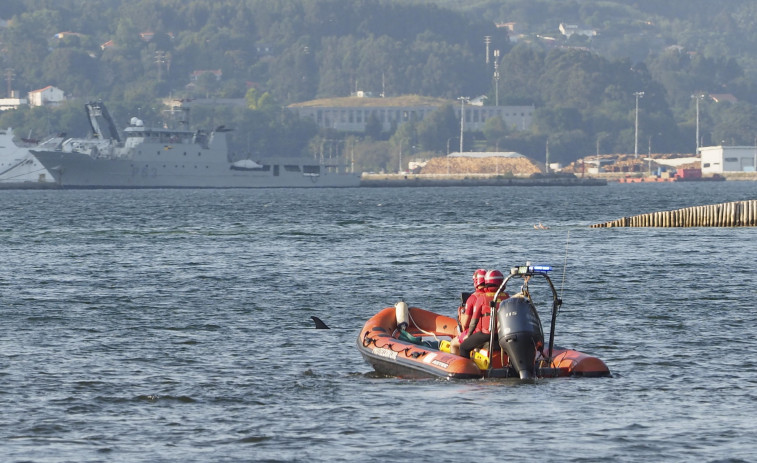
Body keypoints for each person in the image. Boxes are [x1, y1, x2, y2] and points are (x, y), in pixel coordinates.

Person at [459, 269, 509, 361]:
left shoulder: (482, 298)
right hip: (503, 334)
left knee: (463, 347)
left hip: (486, 334)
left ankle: (467, 370)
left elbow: (474, 321)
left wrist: (469, 335)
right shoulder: (507, 297)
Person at [449, 269, 486, 355]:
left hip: (478, 332)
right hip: (492, 332)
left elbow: (465, 324)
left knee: (453, 343)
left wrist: (461, 313)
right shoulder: (494, 296)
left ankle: (459, 365)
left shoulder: (473, 298)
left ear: (476, 281)